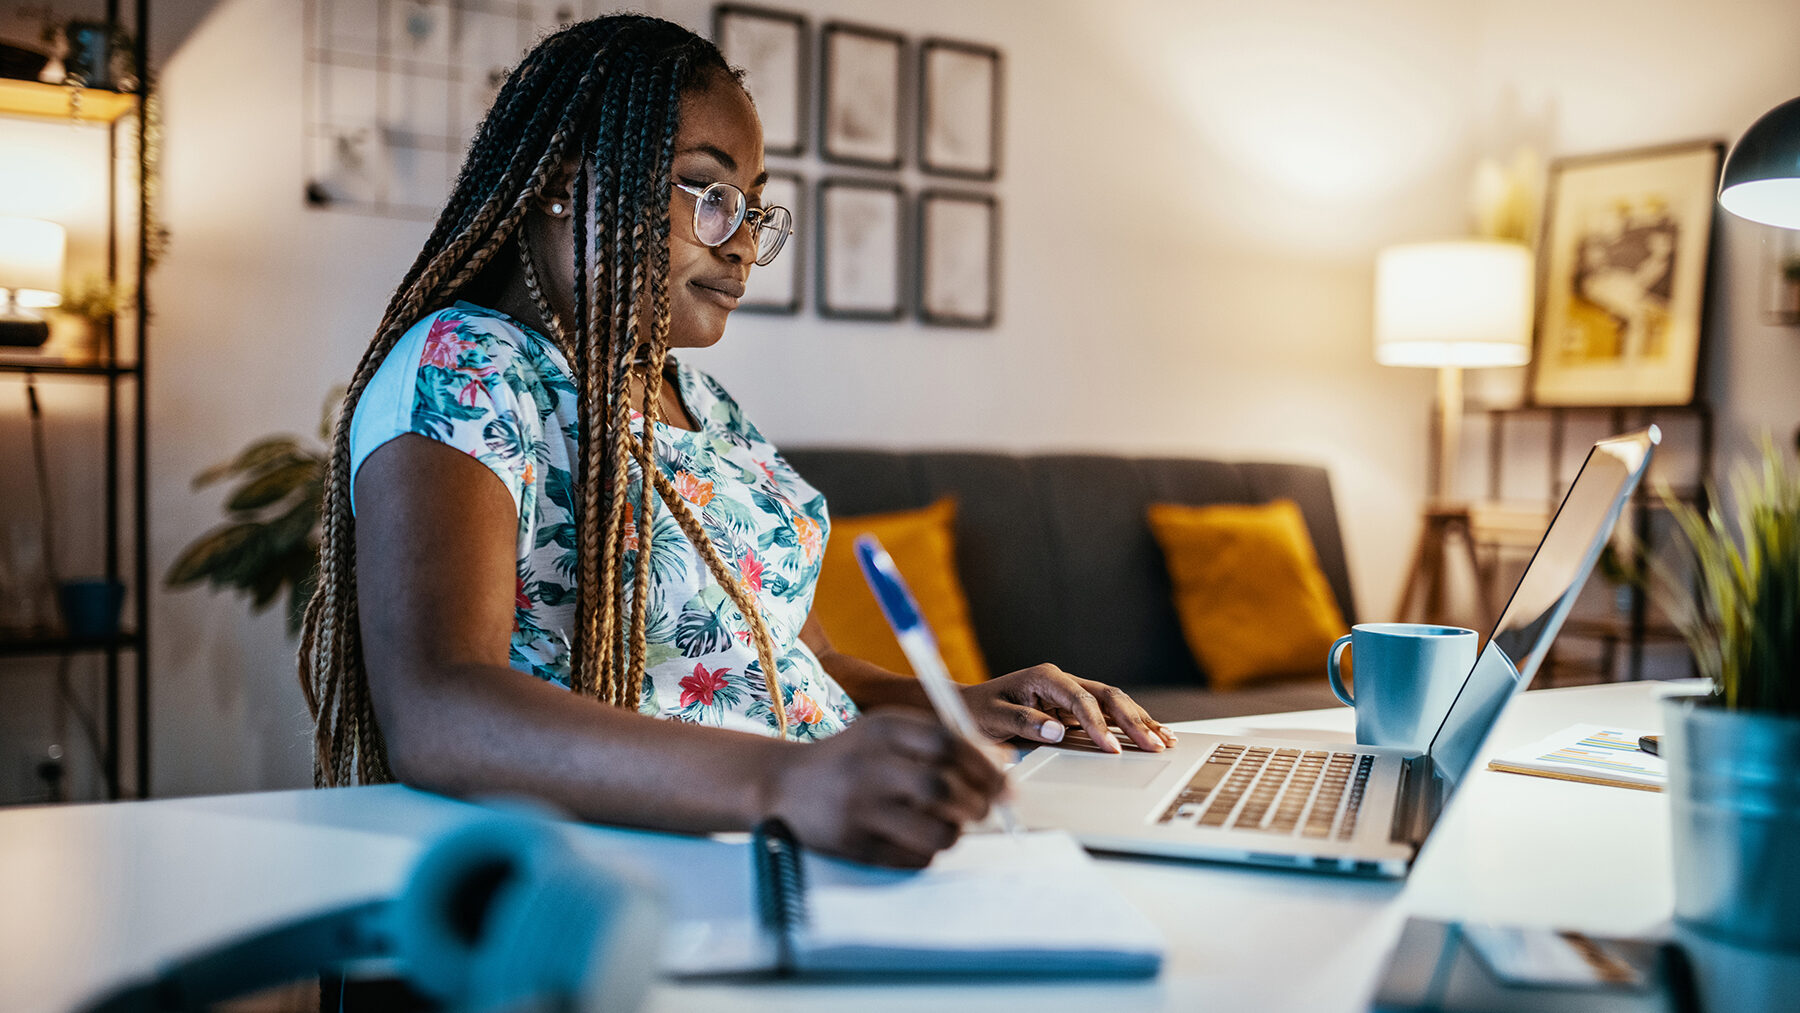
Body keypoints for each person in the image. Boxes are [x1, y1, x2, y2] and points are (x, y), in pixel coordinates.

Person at [298, 15, 1174, 869]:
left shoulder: (705, 405)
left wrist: (972, 706)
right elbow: (441, 707)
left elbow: (805, 658)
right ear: (567, 180)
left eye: (755, 208)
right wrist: (786, 782)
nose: (746, 242)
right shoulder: (467, 366)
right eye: (712, 195)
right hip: (646, 864)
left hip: (804, 839)